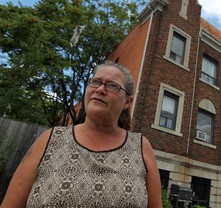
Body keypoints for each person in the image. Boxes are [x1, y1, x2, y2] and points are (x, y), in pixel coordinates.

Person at [1, 61, 162, 208]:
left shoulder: (141, 148)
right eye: (96, 82)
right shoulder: (50, 140)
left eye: (112, 86)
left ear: (127, 102)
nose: (100, 89)